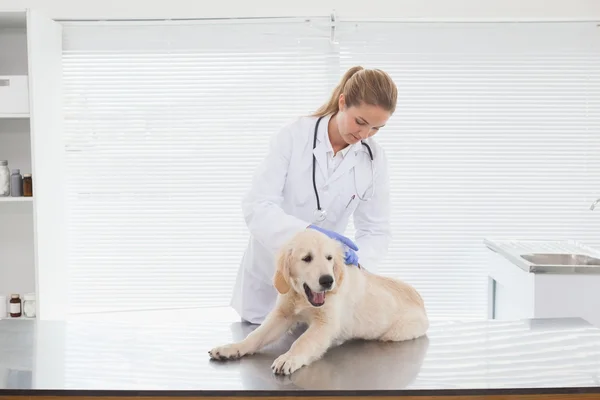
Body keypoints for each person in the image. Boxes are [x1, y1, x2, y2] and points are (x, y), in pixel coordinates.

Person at [230, 66, 398, 324]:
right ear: (342, 102)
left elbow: (376, 229)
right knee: (258, 348)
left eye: (376, 128)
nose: (364, 135)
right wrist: (307, 233)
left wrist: (354, 262)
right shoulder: (294, 137)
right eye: (360, 122)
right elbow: (258, 205)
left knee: (311, 352)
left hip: (323, 289)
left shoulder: (373, 159)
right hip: (270, 284)